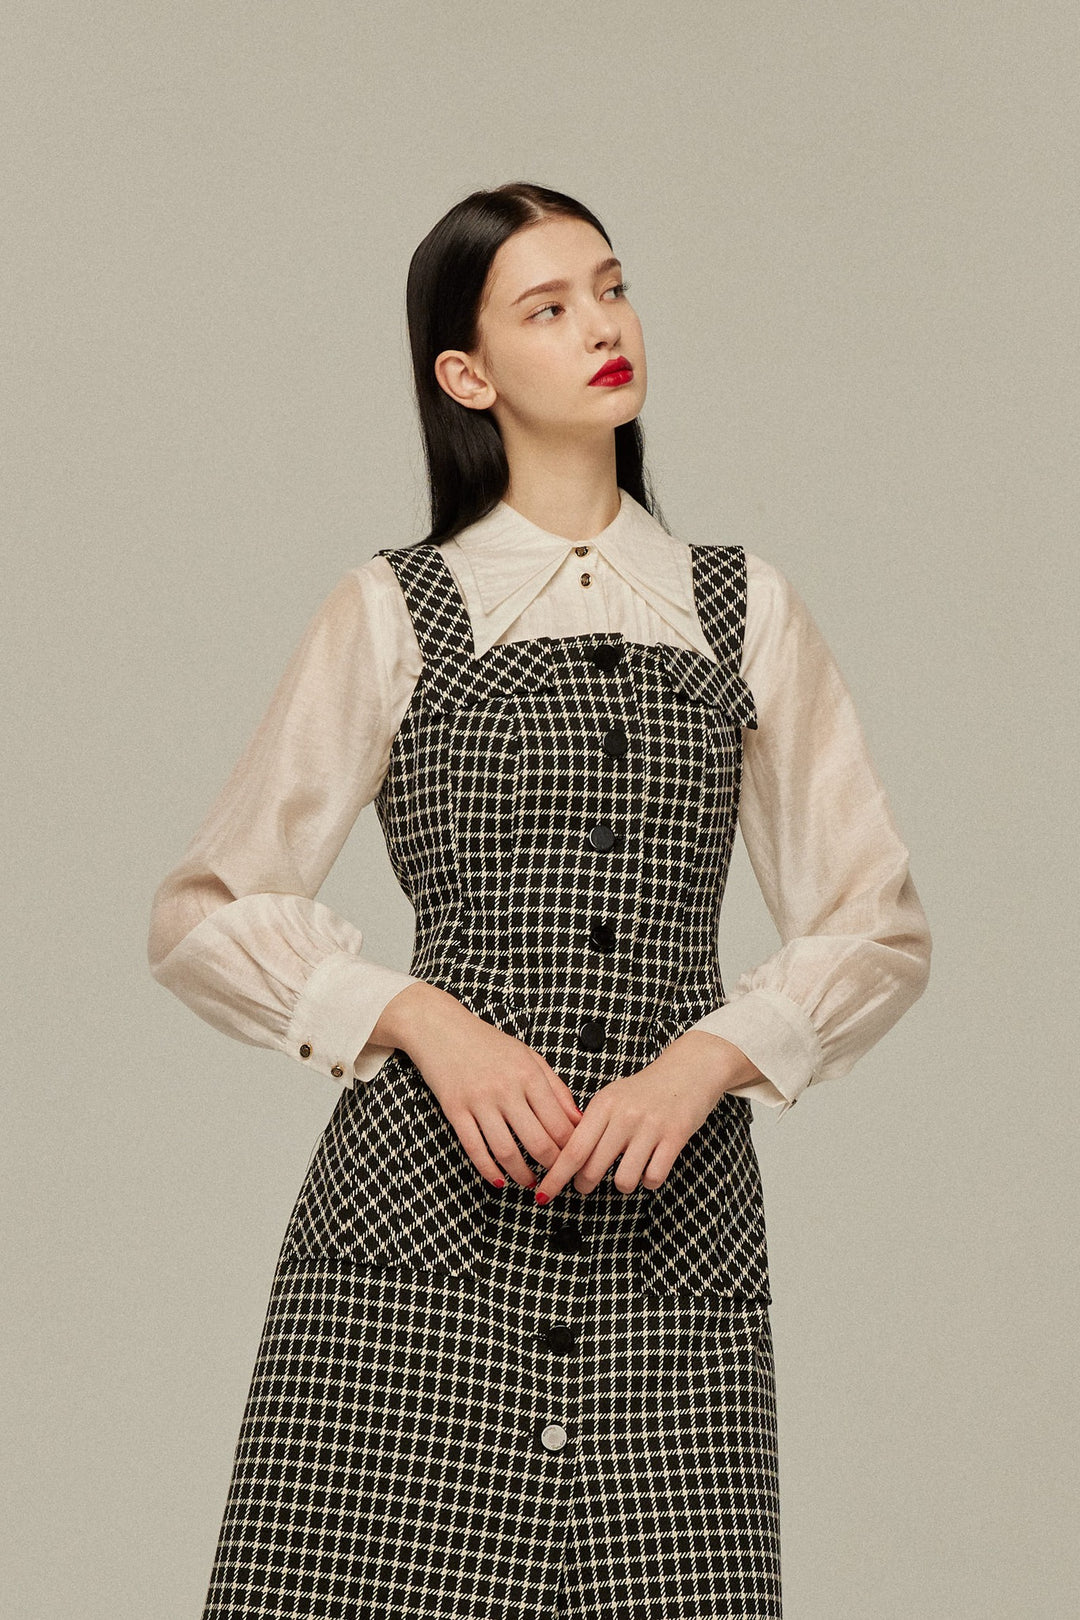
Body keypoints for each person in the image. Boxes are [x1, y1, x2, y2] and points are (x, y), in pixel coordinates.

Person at [147, 181, 932, 1620]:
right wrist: (419, 1021)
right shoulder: (394, 609)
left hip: (671, 1219)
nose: (603, 327)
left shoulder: (741, 608)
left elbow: (873, 922)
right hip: (417, 1225)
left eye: (613, 289)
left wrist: (708, 1060)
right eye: (549, 307)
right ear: (469, 374)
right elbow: (206, 910)